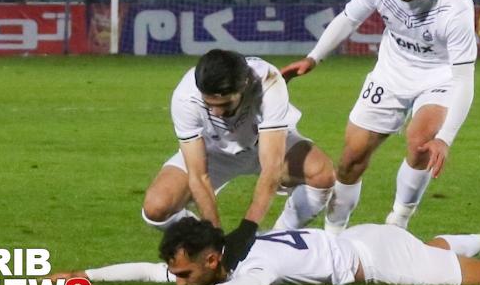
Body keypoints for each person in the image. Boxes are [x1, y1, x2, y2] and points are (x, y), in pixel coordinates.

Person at [281, 0, 476, 233]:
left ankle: (398, 221)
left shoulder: (455, 8)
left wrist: (445, 138)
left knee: (421, 142)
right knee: (351, 160)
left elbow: (464, 79)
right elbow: (348, 19)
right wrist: (314, 57)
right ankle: (334, 233)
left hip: (438, 78)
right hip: (389, 74)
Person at [49, 218, 480, 285]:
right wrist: (85, 276)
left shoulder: (253, 266)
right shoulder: (229, 246)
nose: (176, 280)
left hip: (376, 258)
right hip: (362, 238)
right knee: (435, 251)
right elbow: (148, 270)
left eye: (184, 274)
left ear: (210, 262)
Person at [142, 49, 335, 269]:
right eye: (209, 105)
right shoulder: (186, 97)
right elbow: (199, 176)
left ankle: (276, 240)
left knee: (322, 175)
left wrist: (247, 229)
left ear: (244, 86)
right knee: (156, 209)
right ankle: (204, 242)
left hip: (264, 144)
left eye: (224, 105)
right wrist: (215, 237)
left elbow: (271, 168)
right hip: (213, 152)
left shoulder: (269, 81)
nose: (216, 112)